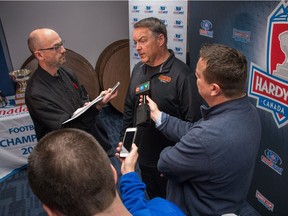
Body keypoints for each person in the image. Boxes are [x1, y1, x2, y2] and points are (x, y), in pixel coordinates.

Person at [144, 43, 262, 216]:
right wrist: (160, 117)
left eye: (198, 76)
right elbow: (197, 131)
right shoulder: (249, 112)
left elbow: (166, 163)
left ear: (214, 89)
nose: (194, 78)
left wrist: (174, 150)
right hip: (226, 202)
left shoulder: (206, 137)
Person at [120, 17, 203, 199]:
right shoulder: (137, 70)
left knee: (173, 206)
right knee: (154, 200)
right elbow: (129, 111)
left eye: (142, 41)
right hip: (143, 158)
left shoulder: (183, 76)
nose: (137, 47)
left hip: (170, 163)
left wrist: (176, 162)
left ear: (160, 40)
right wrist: (126, 147)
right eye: (135, 42)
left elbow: (193, 127)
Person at [27, 128, 185, 216]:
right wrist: (129, 173)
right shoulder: (165, 209)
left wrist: (129, 174)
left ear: (51, 212)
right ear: (113, 173)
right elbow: (139, 211)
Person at [25, 28, 116, 156]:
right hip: (68, 155)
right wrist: (96, 106)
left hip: (92, 141)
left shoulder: (67, 73)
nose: (63, 50)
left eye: (61, 44)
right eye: (55, 47)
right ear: (39, 55)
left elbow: (82, 97)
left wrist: (91, 103)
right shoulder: (36, 93)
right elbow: (66, 130)